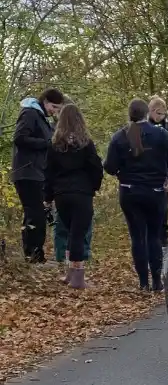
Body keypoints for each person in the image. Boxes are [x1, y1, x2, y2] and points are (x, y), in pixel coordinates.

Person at [105, 99, 168, 291]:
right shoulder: (159, 134)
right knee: (154, 237)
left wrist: (119, 171)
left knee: (137, 237)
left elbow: (109, 166)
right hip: (155, 192)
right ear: (145, 114)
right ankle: (157, 280)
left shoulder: (119, 137)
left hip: (130, 191)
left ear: (129, 114)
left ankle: (143, 282)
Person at [44, 104, 103, 289]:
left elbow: (48, 172)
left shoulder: (54, 145)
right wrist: (94, 186)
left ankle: (70, 274)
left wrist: (48, 196)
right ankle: (78, 278)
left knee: (71, 232)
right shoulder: (85, 143)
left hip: (62, 194)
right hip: (81, 193)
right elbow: (96, 167)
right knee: (79, 233)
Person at [11, 88, 65, 263]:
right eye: (54, 106)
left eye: (57, 108)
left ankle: (34, 255)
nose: (54, 111)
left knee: (35, 214)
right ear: (46, 101)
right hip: (26, 171)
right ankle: (34, 257)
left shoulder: (41, 118)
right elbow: (19, 138)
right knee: (36, 215)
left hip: (36, 172)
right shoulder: (29, 114)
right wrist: (46, 143)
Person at [148, 96, 168, 246]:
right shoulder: (143, 125)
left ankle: (163, 238)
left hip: (164, 171)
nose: (161, 117)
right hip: (148, 172)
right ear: (151, 111)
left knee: (162, 208)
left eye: (163, 114)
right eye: (158, 113)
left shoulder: (167, 125)